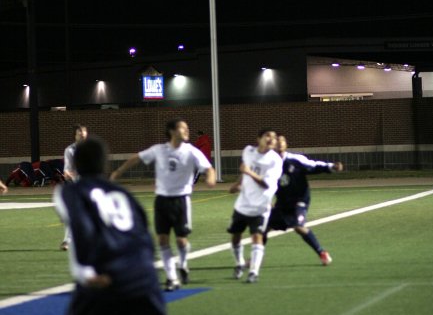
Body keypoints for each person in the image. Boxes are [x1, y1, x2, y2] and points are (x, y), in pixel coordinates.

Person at [49, 135, 235, 315]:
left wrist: (86, 273)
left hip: (101, 281)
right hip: (139, 277)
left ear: (76, 162)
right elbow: (142, 234)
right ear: (104, 163)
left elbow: (83, 231)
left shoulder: (69, 193)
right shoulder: (123, 194)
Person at [110, 118, 216, 291]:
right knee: (162, 240)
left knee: (182, 241)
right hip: (162, 200)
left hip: (181, 200)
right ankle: (172, 278)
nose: (187, 131)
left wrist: (210, 177)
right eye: (183, 128)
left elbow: (208, 168)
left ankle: (182, 264)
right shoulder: (159, 150)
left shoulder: (191, 151)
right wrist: (118, 172)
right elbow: (137, 158)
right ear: (172, 131)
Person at [266, 135, 344, 265]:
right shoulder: (269, 164)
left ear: (286, 144)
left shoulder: (295, 160)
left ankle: (322, 253)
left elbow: (313, 166)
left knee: (298, 226)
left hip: (299, 200)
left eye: (282, 141)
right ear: (272, 145)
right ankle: (254, 260)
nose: (279, 144)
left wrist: (331, 166)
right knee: (264, 228)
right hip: (282, 202)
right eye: (277, 142)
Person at [227, 129, 282, 283]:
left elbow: (266, 184)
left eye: (274, 137)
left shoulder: (275, 160)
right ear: (259, 139)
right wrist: (237, 184)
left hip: (261, 206)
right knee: (235, 237)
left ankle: (254, 272)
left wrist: (249, 172)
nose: (272, 139)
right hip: (242, 204)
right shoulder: (248, 151)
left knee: (257, 237)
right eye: (268, 136)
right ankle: (239, 264)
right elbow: (245, 172)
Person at [60, 124, 88, 251]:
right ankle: (67, 241)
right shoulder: (70, 150)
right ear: (75, 136)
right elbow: (67, 169)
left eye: (83, 132)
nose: (82, 135)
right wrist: (68, 174)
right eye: (79, 133)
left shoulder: (92, 149)